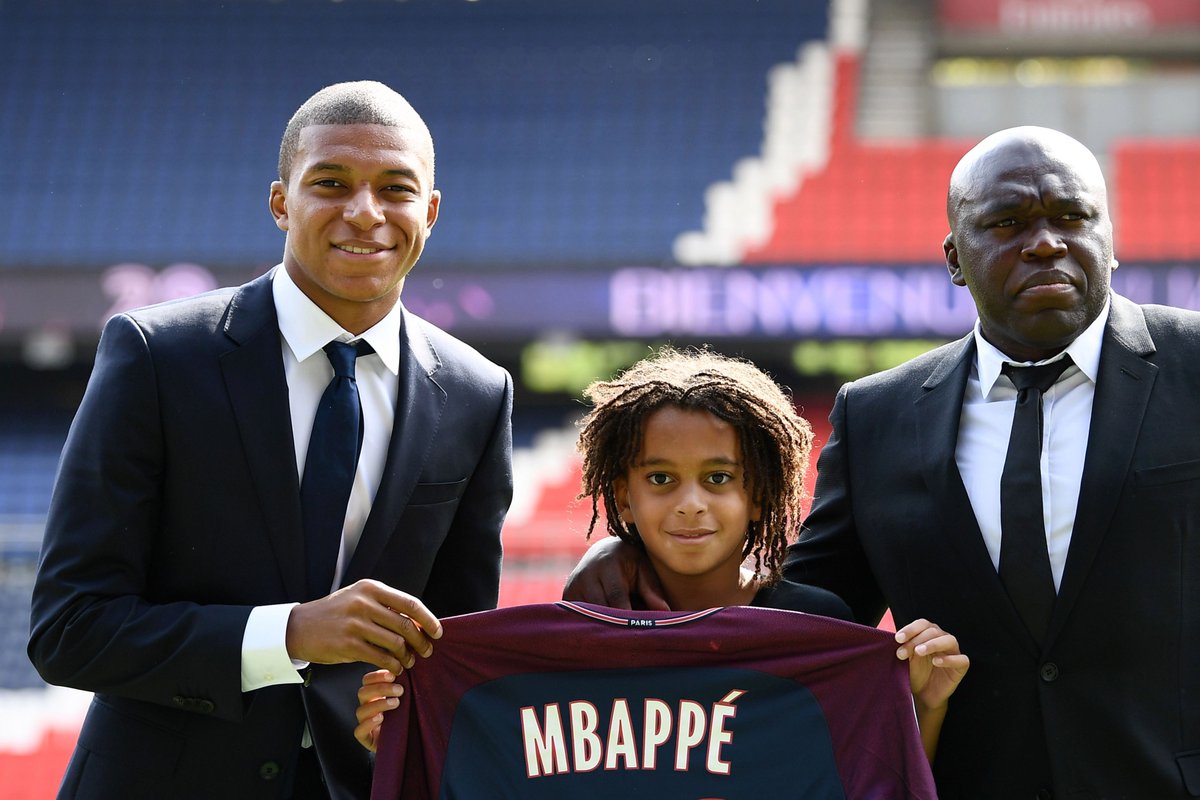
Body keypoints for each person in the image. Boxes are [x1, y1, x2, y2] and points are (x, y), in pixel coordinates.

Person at [564, 126, 1200, 798]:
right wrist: (636, 555)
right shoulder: (877, 416)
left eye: (1072, 217)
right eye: (1007, 223)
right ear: (955, 258)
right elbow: (799, 613)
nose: (1045, 242)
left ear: (1110, 237)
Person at [27, 81, 513, 800]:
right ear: (281, 202)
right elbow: (70, 629)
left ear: (431, 212)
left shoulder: (478, 392)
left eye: (396, 188)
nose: (365, 211)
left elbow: (454, 647)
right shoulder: (157, 357)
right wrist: (289, 635)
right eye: (331, 183)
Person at [358, 348, 967, 764]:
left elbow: (875, 777)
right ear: (622, 494)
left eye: (719, 479)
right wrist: (407, 736)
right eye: (660, 480)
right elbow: (508, 768)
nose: (690, 504)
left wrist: (926, 705)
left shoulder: (817, 623)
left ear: (760, 493)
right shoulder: (579, 629)